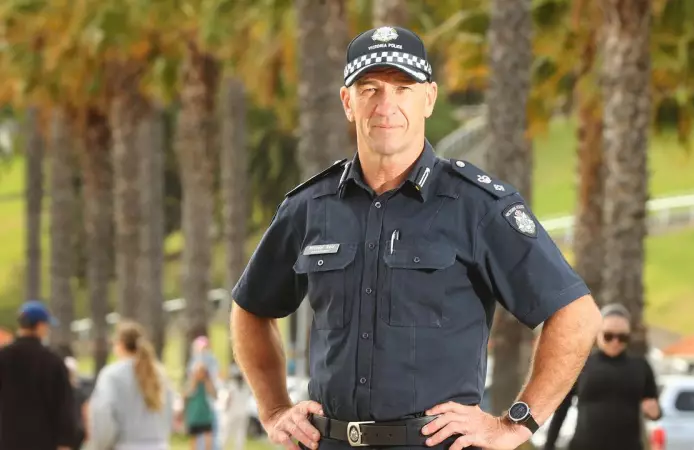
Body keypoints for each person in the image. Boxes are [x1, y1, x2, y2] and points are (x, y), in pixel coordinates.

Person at [229, 25, 602, 450]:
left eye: (403, 88)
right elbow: (250, 309)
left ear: (429, 98)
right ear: (347, 102)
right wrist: (274, 409)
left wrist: (516, 423)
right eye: (370, 89)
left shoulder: (477, 206)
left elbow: (576, 314)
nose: (386, 104)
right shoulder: (309, 207)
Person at [543, 304, 661, 450]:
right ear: (598, 333)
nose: (615, 342)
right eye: (608, 336)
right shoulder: (580, 364)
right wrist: (548, 445)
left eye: (622, 337)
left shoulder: (641, 366)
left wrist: (654, 412)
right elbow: (561, 410)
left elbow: (655, 410)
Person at [0, 300, 77, 450]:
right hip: (44, 441)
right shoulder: (52, 361)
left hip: (7, 440)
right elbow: (63, 405)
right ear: (40, 325)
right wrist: (65, 442)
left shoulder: (3, 357)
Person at [87, 320, 174, 450]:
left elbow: (103, 413)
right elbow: (168, 412)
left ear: (120, 345)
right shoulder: (159, 373)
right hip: (159, 444)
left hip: (126, 444)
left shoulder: (112, 375)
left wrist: (101, 444)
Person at [184, 361, 218, 450]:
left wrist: (208, 382)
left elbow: (215, 395)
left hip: (206, 416)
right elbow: (186, 395)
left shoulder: (207, 383)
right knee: (193, 441)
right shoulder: (192, 383)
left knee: (208, 440)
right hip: (195, 416)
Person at [219, 366, 251, 450]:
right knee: (239, 436)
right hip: (242, 413)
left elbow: (228, 400)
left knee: (226, 434)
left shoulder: (232, 386)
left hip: (232, 414)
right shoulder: (246, 387)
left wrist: (225, 409)